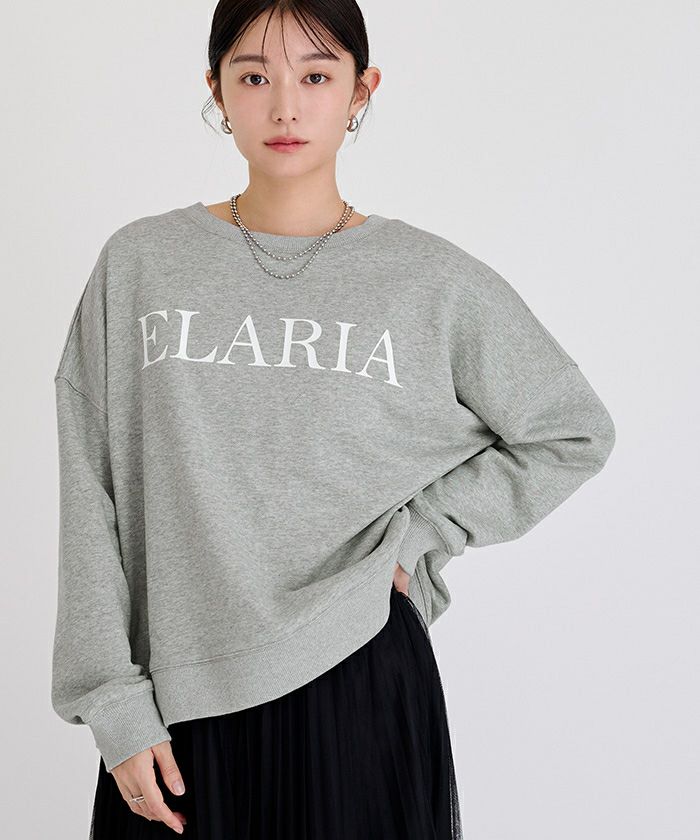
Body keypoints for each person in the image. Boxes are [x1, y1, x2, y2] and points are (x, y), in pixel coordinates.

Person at [50, 2, 616, 838]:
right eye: (254, 77)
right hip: (176, 703)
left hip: (359, 677)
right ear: (217, 90)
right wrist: (111, 701)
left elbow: (571, 430)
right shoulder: (141, 264)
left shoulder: (429, 280)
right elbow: (90, 483)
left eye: (316, 76)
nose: (286, 106)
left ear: (361, 90)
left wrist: (422, 534)